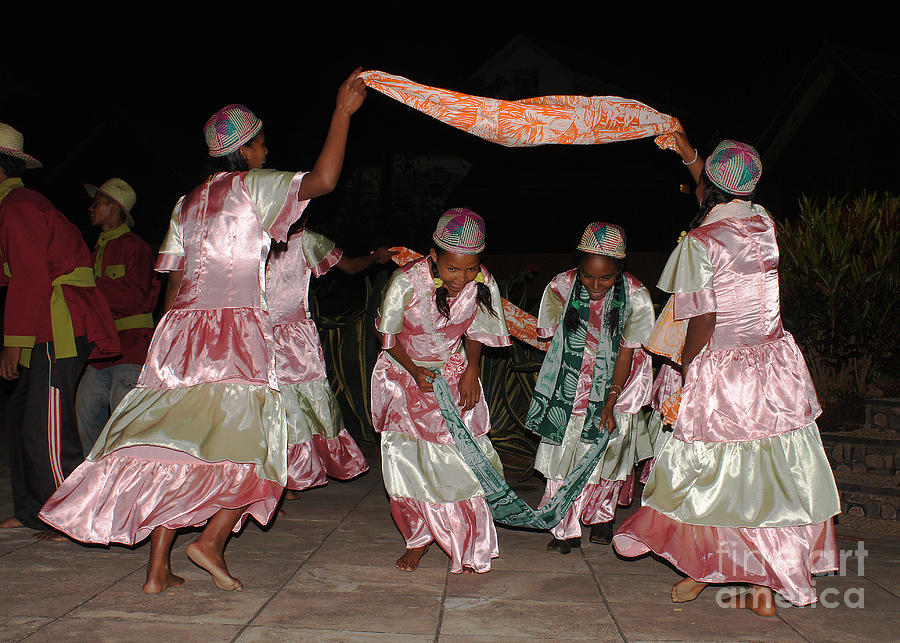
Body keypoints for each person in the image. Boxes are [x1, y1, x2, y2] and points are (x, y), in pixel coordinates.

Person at [40, 69, 367, 594]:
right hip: (237, 332)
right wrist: (342, 114)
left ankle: (156, 571)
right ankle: (211, 539)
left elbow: (176, 280)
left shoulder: (185, 202)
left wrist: (161, 347)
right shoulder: (255, 186)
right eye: (262, 145)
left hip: (181, 336)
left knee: (180, 446)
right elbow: (324, 181)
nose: (266, 152)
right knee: (258, 444)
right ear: (246, 149)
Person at [613, 136, 840, 616]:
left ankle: (709, 569)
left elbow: (701, 319)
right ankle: (762, 581)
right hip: (773, 363)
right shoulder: (763, 223)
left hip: (723, 368)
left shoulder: (700, 242)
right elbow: (717, 197)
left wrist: (689, 373)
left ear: (710, 188)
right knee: (766, 477)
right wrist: (688, 152)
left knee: (709, 474)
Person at [371, 208, 510, 573]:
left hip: (454, 374)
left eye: (470, 269)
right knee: (408, 465)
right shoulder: (404, 281)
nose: (462, 278)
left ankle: (468, 543)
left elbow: (478, 330)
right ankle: (417, 539)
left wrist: (472, 369)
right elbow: (387, 338)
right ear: (434, 256)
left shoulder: (482, 281)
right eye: (452, 269)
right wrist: (415, 370)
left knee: (460, 465)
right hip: (404, 375)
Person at [0, 123, 119, 539]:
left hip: (59, 324)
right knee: (19, 420)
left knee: (47, 426)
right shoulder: (13, 206)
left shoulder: (19, 204)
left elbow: (31, 276)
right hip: (43, 325)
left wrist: (12, 342)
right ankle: (34, 510)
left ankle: (72, 515)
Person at [528, 223, 655, 554]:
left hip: (620, 381)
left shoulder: (636, 296)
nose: (595, 285)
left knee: (608, 453)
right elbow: (552, 341)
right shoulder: (561, 286)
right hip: (572, 381)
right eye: (588, 276)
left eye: (606, 278)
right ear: (579, 265)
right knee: (563, 453)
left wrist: (610, 401)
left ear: (620, 269)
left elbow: (627, 352)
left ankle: (601, 516)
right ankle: (563, 526)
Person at [266, 227, 395, 494]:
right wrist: (374, 257)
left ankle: (280, 475)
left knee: (278, 400)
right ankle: (284, 476)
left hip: (258, 329)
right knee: (294, 401)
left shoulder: (254, 232)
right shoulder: (303, 238)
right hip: (288, 333)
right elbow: (348, 266)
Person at [76, 178, 159, 456]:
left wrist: (90, 288)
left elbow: (137, 298)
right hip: (100, 351)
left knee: (126, 431)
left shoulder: (136, 248)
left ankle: (128, 487)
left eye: (97, 202)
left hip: (131, 350)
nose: (91, 208)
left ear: (114, 207)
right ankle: (98, 481)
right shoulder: (96, 250)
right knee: (86, 416)